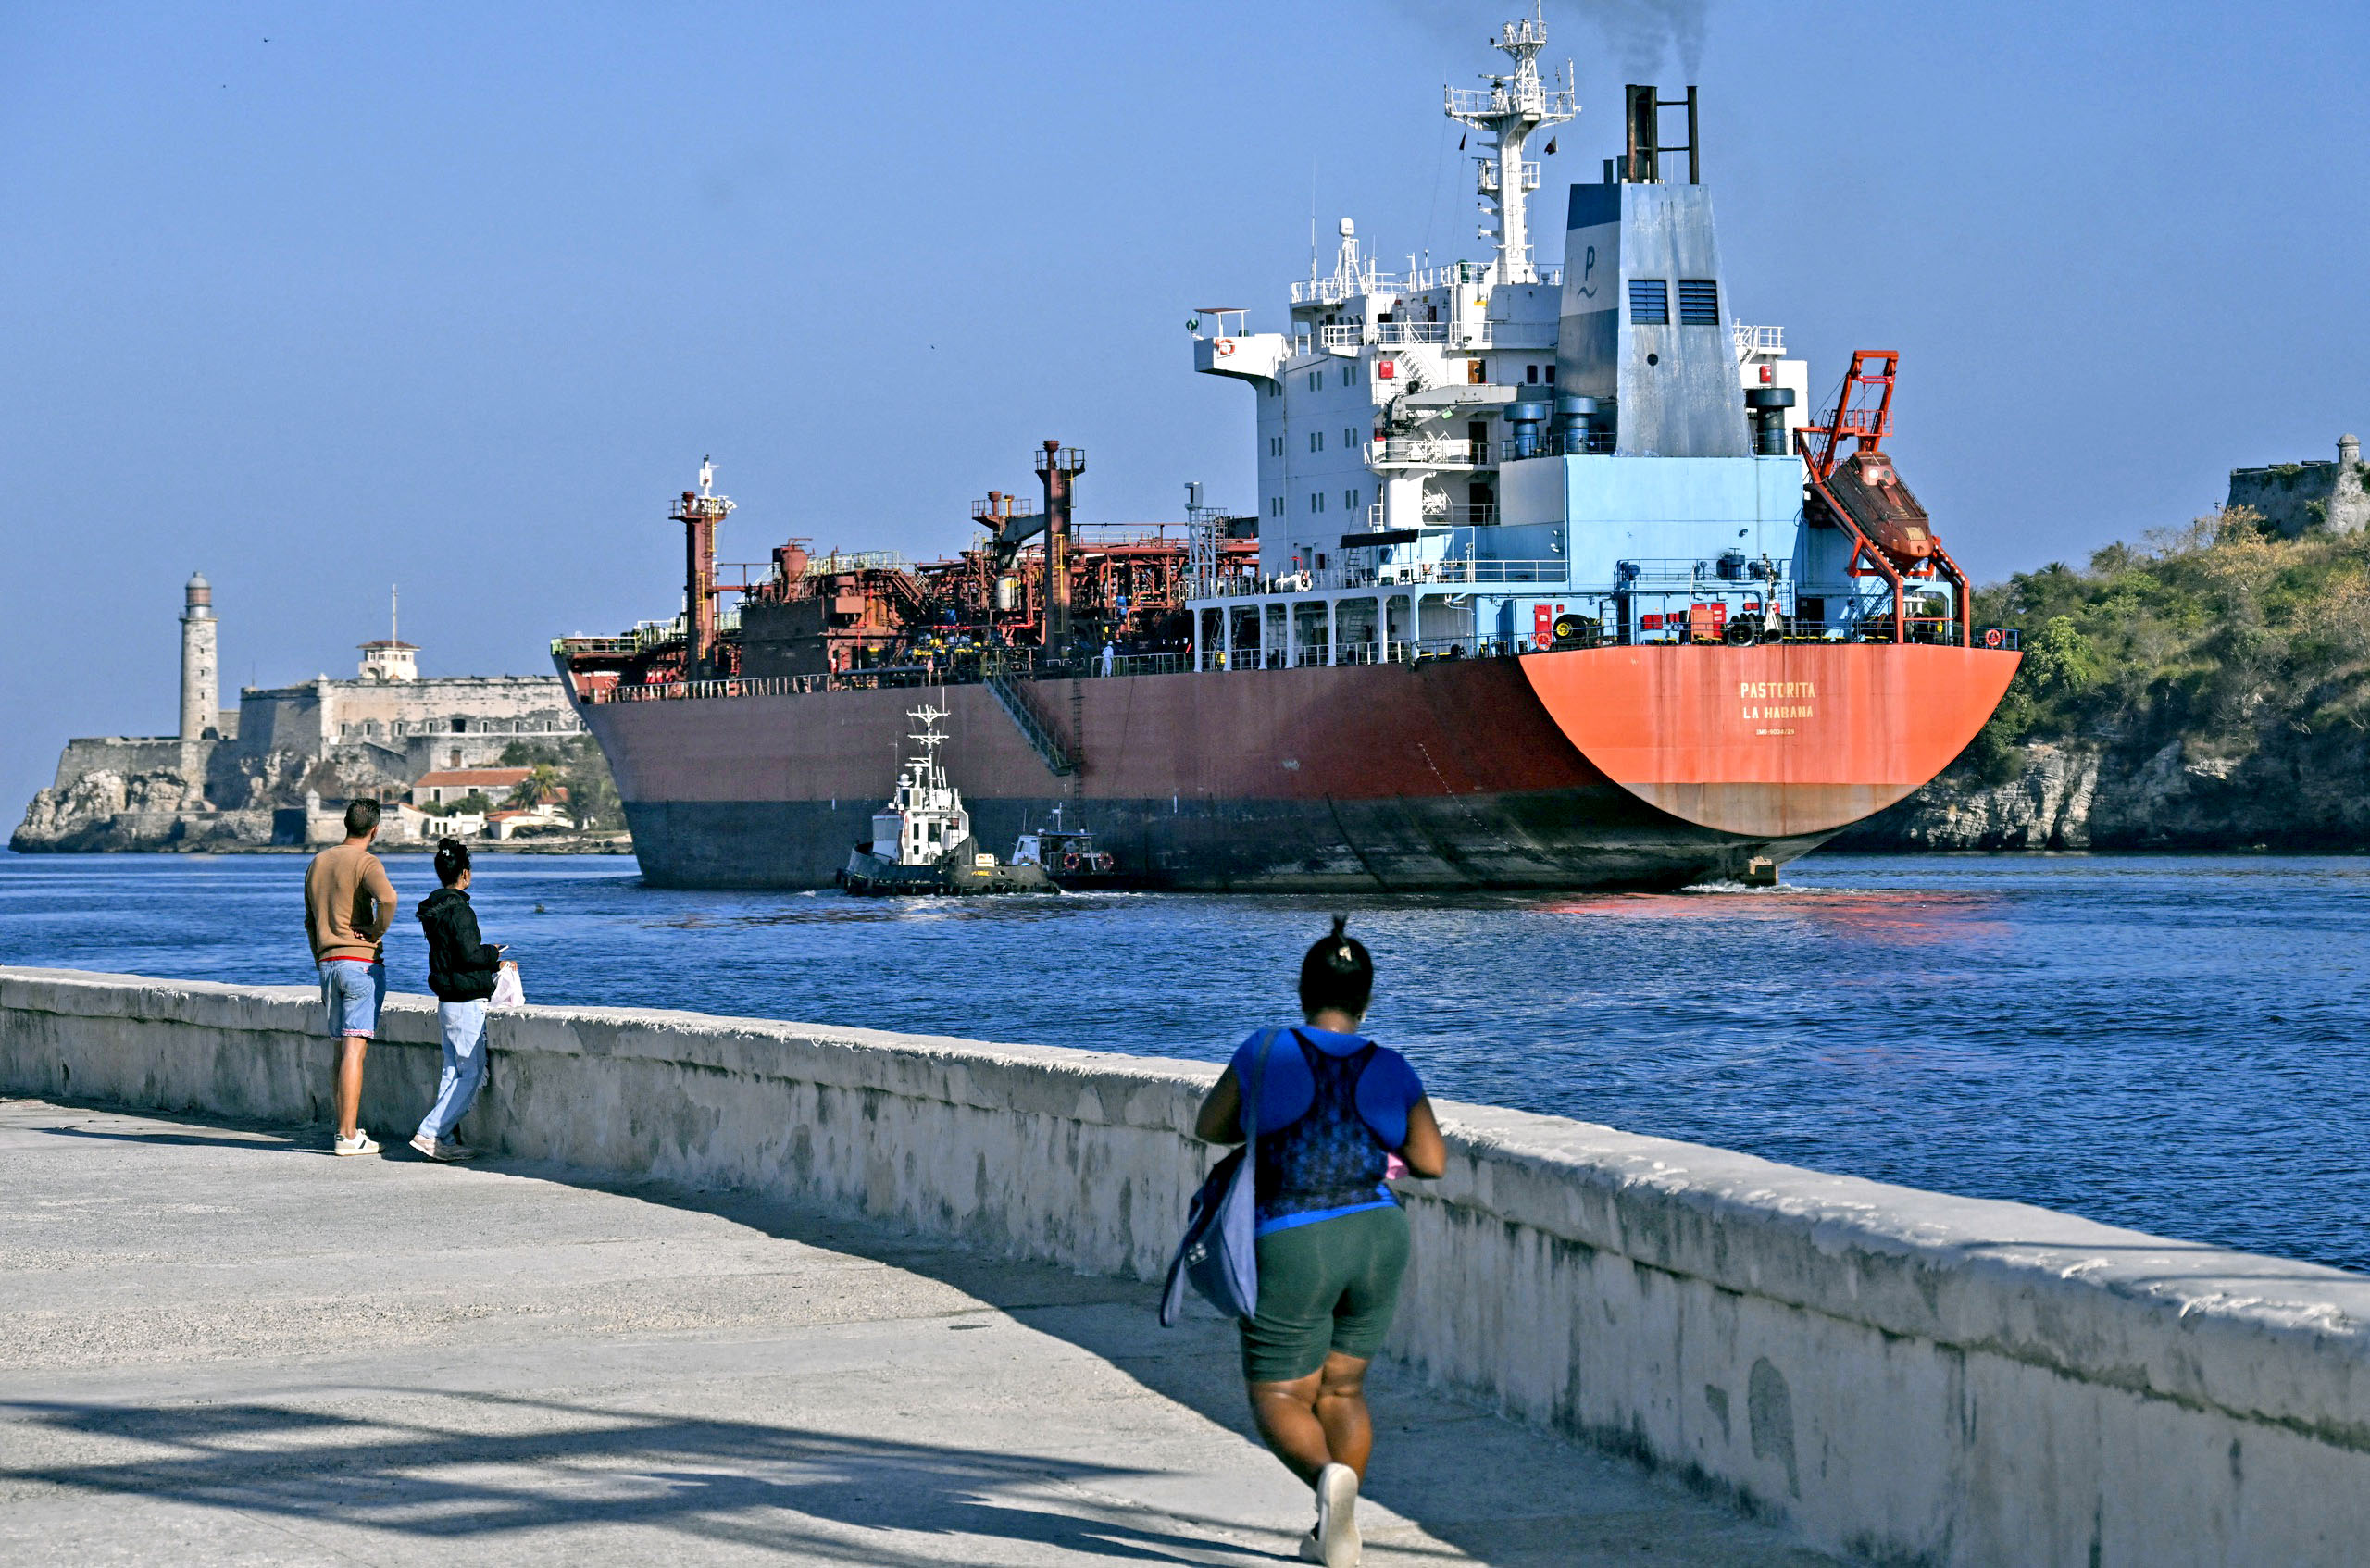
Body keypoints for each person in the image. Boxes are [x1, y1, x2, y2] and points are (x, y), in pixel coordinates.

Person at [1192, 915, 1446, 1568]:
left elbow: (1211, 1126)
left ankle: (1325, 1478)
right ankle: (1335, 1531)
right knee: (1343, 1391)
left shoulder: (1265, 1050)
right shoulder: (1390, 1065)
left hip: (1294, 1234)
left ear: (1303, 991)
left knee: (1280, 1395)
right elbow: (1431, 1161)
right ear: (1367, 998)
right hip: (1378, 1234)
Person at [304, 799, 399, 1156]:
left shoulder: (318, 862)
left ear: (346, 824)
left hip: (328, 963)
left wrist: (321, 958)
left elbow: (310, 921)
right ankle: (347, 1136)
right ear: (375, 829)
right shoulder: (366, 862)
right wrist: (376, 931)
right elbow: (388, 899)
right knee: (355, 1050)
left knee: (340, 1050)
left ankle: (344, 1127)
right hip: (359, 963)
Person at [412, 837, 509, 1162]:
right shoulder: (461, 911)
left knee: (451, 1071)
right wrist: (493, 954)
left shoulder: (433, 911)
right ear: (465, 874)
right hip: (467, 1002)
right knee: (471, 1073)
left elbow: (451, 955)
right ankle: (430, 1132)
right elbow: (469, 955)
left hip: (447, 1000)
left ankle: (444, 1140)